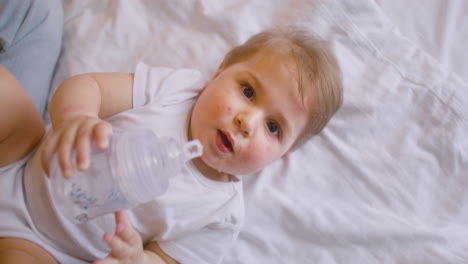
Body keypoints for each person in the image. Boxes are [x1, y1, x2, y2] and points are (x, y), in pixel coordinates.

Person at [0, 27, 343, 264]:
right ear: (219, 70)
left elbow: (164, 260)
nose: (247, 122)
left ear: (280, 156)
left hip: (45, 245)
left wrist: (136, 257)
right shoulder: (176, 90)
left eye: (273, 127)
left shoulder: (220, 215)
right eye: (248, 91)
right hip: (26, 153)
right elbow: (91, 86)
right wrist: (76, 118)